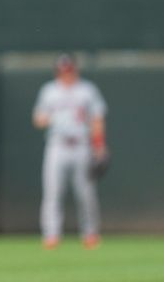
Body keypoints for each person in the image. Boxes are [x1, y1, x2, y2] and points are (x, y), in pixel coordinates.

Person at [32, 53, 108, 250]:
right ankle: (51, 235)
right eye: (62, 71)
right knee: (53, 192)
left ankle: (90, 233)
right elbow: (38, 119)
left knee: (86, 193)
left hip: (82, 145)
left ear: (75, 70)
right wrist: (53, 118)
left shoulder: (87, 90)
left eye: (69, 70)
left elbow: (97, 118)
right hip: (57, 145)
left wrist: (99, 146)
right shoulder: (49, 90)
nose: (66, 74)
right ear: (58, 71)